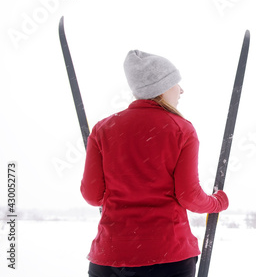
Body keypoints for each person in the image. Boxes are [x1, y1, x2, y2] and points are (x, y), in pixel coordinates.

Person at [81, 50, 229, 277]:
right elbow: (189, 196)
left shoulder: (103, 129)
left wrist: (123, 192)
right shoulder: (181, 129)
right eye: (175, 83)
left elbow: (93, 195)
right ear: (161, 87)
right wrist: (217, 202)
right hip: (167, 256)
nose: (181, 90)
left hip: (110, 256)